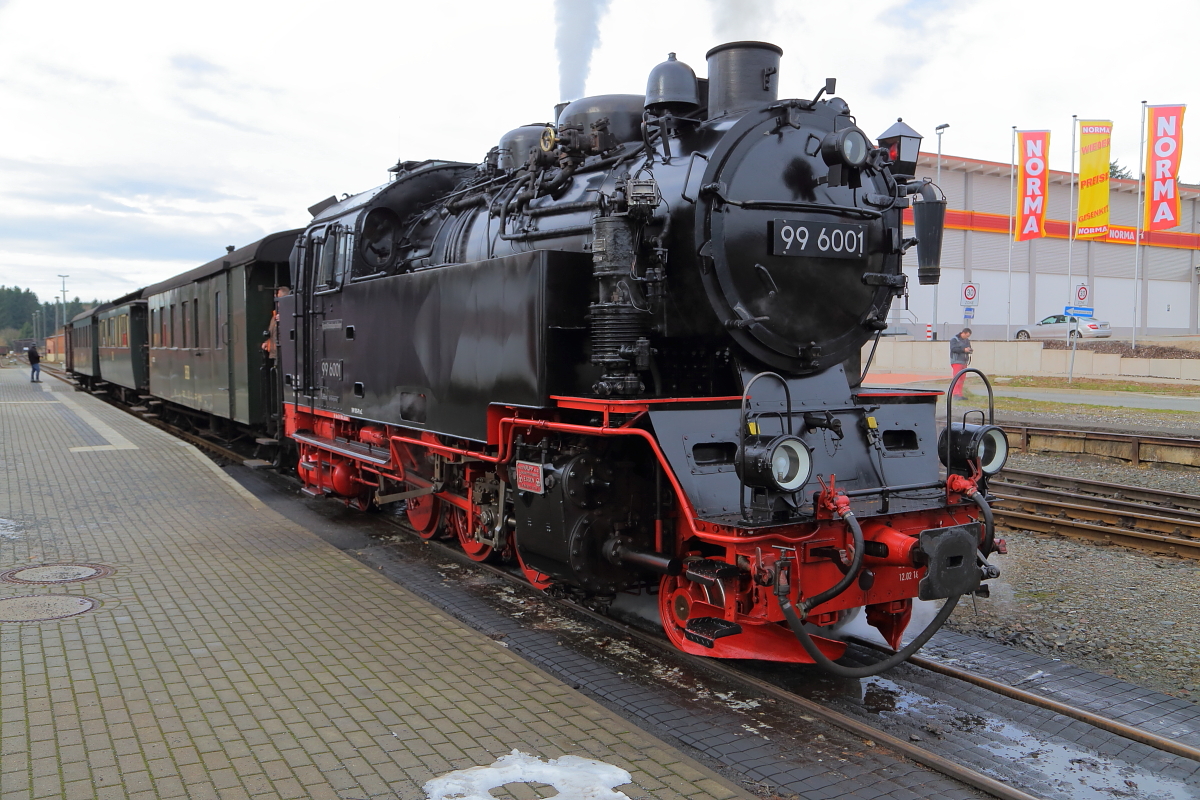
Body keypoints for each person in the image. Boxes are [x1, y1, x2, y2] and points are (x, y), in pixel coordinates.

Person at [949, 328, 972, 397]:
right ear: (963, 333)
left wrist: (970, 350)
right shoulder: (954, 339)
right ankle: (955, 393)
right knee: (957, 378)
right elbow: (953, 349)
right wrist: (963, 350)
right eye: (966, 336)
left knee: (962, 379)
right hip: (956, 361)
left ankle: (960, 394)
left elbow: (968, 348)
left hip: (964, 362)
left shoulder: (966, 341)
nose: (967, 338)